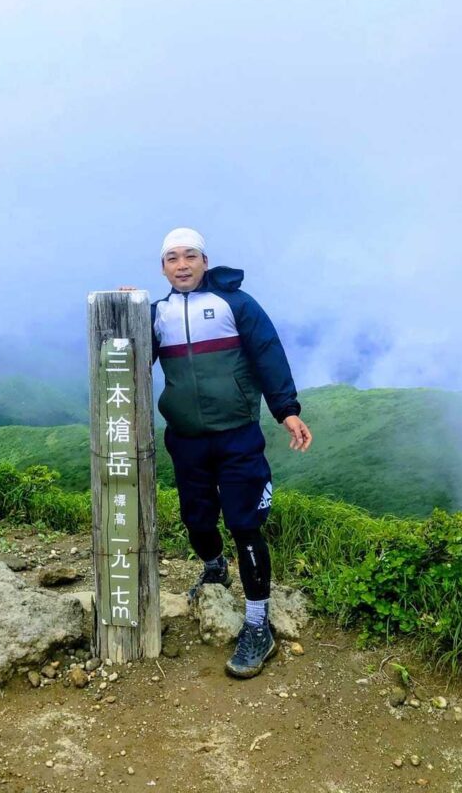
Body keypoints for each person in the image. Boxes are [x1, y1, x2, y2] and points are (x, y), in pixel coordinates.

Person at [121, 226, 312, 678]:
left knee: (245, 525)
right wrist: (125, 310)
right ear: (162, 268)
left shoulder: (236, 304)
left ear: (205, 261)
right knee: (197, 519)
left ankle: (258, 623)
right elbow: (129, 356)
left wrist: (286, 410)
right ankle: (213, 568)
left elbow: (268, 354)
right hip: (186, 437)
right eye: (172, 258)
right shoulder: (158, 314)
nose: (182, 265)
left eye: (190, 256)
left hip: (237, 435)